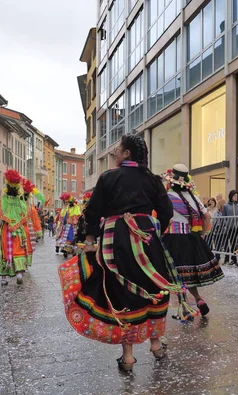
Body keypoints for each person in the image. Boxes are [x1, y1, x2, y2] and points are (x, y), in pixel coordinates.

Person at [59, 134, 194, 372]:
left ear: (127, 153)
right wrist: (153, 229)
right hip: (146, 236)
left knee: (123, 290)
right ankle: (156, 345)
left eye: (117, 150)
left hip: (116, 237)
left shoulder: (109, 177)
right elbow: (166, 211)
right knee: (154, 286)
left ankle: (128, 356)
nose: (114, 154)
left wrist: (90, 239)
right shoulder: (152, 180)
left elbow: (93, 211)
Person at [161, 164, 224, 317]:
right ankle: (198, 299)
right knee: (187, 275)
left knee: (175, 275)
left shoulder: (167, 196)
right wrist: (202, 234)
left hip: (172, 238)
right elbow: (207, 216)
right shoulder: (194, 198)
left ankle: (184, 309)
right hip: (190, 238)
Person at [0, 170, 30, 285]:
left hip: (5, 230)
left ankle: (4, 278)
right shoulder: (21, 200)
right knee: (19, 251)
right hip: (18, 230)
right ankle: (19, 273)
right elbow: (25, 215)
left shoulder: (2, 200)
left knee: (3, 252)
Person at [21, 179, 43, 266]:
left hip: (26, 228)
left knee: (25, 246)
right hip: (23, 228)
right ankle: (23, 263)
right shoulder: (30, 207)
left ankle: (23, 263)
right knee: (24, 246)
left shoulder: (30, 207)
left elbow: (35, 218)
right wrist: (38, 230)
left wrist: (38, 229)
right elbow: (35, 218)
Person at [221, 190, 238, 266]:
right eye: (234, 196)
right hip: (230, 228)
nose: (236, 197)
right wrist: (225, 225)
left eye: (237, 195)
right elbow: (224, 217)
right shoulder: (226, 206)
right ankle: (233, 259)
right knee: (232, 244)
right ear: (231, 196)